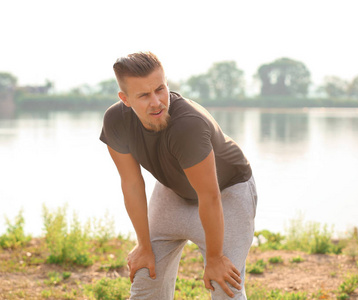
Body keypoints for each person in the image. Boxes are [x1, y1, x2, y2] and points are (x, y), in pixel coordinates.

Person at [100, 51, 257, 299]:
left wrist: (215, 258)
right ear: (125, 99)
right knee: (146, 276)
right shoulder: (115, 121)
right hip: (173, 190)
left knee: (224, 285)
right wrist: (143, 245)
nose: (157, 102)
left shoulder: (188, 125)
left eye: (160, 89)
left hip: (226, 193)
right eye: (143, 95)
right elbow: (131, 184)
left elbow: (209, 195)